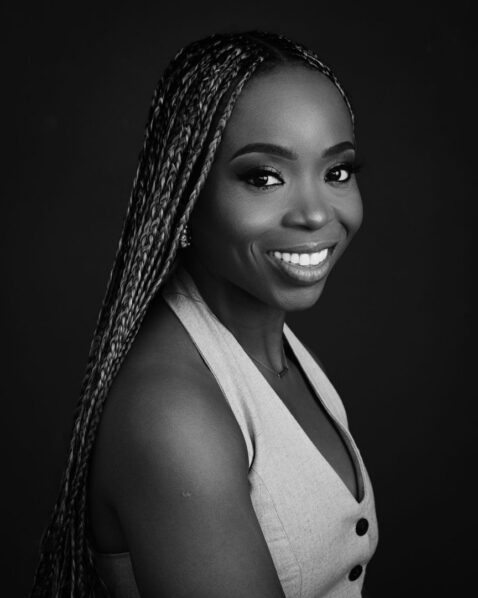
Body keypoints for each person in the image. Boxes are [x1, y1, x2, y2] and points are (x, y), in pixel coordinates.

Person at [31, 31, 379, 598]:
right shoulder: (174, 414)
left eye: (337, 171)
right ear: (186, 198)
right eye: (264, 177)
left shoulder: (270, 346)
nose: (316, 213)